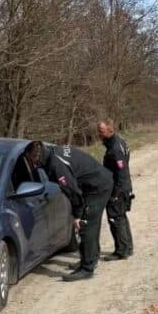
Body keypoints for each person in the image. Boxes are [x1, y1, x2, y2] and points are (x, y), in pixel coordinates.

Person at [26, 140, 113, 281]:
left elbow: (73, 191)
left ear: (37, 156)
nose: (33, 164)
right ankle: (90, 257)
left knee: (86, 225)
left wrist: (77, 215)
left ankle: (87, 268)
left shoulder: (56, 165)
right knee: (90, 224)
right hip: (95, 182)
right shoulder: (53, 151)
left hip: (98, 187)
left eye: (32, 160)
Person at [96, 119, 134, 261]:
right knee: (121, 217)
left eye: (101, 131)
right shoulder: (116, 143)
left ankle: (121, 251)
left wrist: (115, 194)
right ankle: (128, 248)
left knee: (116, 219)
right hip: (122, 188)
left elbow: (121, 173)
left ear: (110, 130)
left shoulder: (115, 148)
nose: (98, 134)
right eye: (98, 130)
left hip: (119, 189)